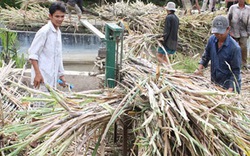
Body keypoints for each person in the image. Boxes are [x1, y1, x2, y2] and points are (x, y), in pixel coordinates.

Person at [194, 15, 242, 93]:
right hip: (215, 83)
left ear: (228, 29)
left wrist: (230, 91)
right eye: (216, 33)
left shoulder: (234, 48)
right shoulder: (212, 40)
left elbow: (235, 71)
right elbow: (206, 56)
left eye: (221, 33)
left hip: (229, 87)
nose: (218, 35)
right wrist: (199, 68)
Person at [28, 2, 67, 91]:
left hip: (52, 78)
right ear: (50, 16)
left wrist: (61, 75)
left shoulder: (58, 32)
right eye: (57, 16)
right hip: (41, 77)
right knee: (40, 103)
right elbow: (33, 54)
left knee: (50, 103)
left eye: (62, 16)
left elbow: (58, 55)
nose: (60, 19)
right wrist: (38, 74)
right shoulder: (44, 32)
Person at [227, 0, 250, 69]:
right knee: (233, 48)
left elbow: (249, 21)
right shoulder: (233, 8)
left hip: (244, 31)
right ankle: (233, 63)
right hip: (233, 31)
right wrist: (228, 30)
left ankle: (244, 63)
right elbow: (228, 18)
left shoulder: (248, 9)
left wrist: (249, 32)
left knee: (244, 47)